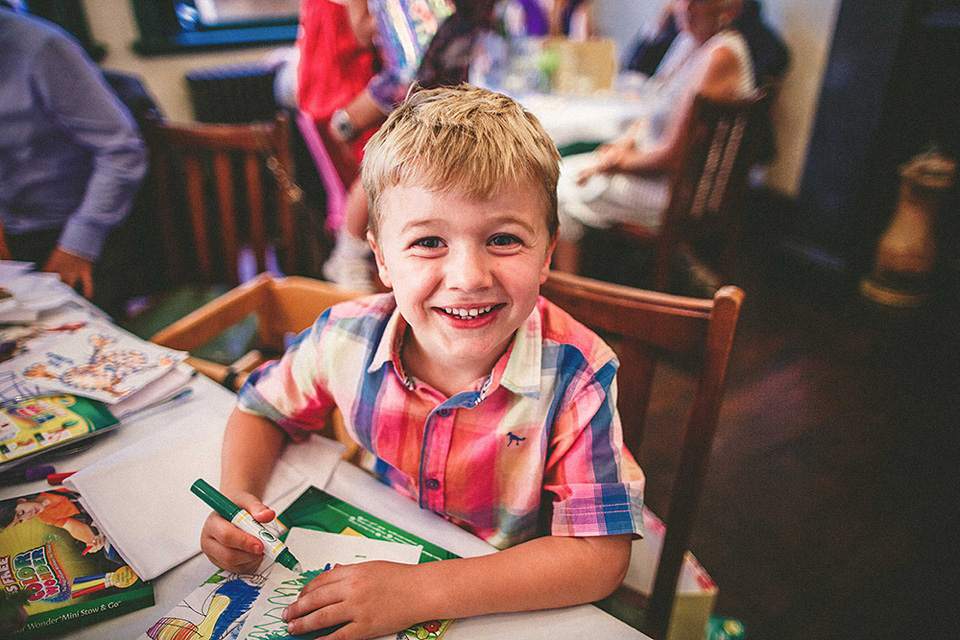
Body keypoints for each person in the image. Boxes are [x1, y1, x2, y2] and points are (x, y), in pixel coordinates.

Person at [200, 85, 645, 639]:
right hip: (369, 552)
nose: (468, 277)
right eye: (429, 242)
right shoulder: (345, 337)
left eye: (503, 239)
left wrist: (421, 591)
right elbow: (261, 409)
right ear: (382, 259)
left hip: (504, 595)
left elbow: (599, 557)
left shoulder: (576, 376)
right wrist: (238, 495)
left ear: (548, 253)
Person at [552, 0, 755, 274]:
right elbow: (651, 108)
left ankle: (573, 297)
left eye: (698, 1)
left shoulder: (720, 55)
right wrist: (621, 146)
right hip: (660, 173)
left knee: (559, 189)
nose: (686, 7)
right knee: (566, 169)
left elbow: (673, 155)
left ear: (728, 8)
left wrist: (615, 162)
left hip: (680, 194)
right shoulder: (687, 41)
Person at [323, 0, 498, 292]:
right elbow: (366, 36)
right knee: (372, 165)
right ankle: (348, 257)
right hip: (412, 76)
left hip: (443, 76)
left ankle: (356, 253)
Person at [0, 3, 148, 302]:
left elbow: (122, 151)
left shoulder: (42, 47)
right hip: (13, 231)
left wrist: (78, 246)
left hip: (82, 231)